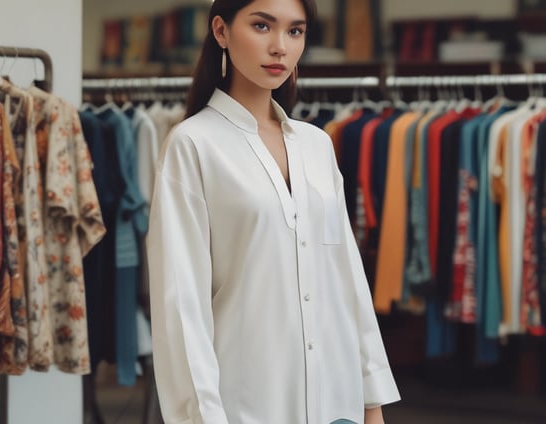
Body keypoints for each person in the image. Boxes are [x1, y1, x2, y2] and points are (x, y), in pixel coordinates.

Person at [146, 0, 401, 423]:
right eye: (262, 26)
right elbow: (182, 307)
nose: (280, 47)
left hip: (337, 401)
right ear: (221, 31)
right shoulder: (192, 144)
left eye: (295, 31)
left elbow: (347, 281)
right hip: (248, 404)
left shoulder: (316, 145)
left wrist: (371, 403)